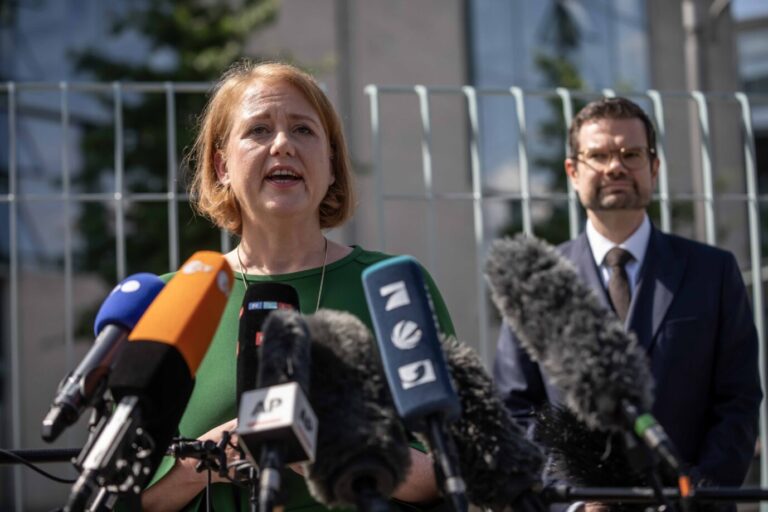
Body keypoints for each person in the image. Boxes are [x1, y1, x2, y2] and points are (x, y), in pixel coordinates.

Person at [141, 60, 455, 512]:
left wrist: (321, 442)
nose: (283, 144)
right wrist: (216, 454)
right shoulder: (174, 300)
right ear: (221, 164)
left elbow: (451, 472)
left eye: (304, 130)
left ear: (330, 165)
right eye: (259, 130)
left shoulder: (391, 289)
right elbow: (130, 497)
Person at [493, 97, 762, 489]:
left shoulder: (712, 273)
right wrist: (573, 498)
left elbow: (737, 402)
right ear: (572, 171)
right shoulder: (536, 282)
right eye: (598, 155)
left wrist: (695, 493)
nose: (615, 166)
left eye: (630, 153)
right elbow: (514, 410)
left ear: (654, 168)